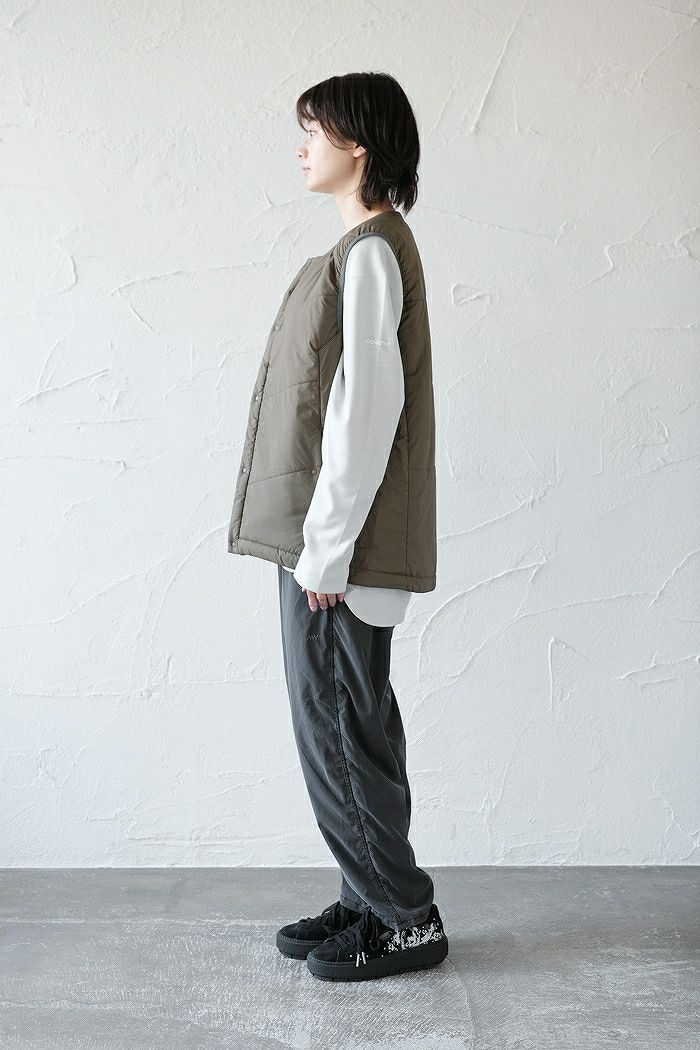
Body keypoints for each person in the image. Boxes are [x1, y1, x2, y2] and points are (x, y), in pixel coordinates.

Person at [227, 72, 447, 981]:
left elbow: (367, 410)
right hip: (338, 541)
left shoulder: (370, 254)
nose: (302, 146)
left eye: (312, 130)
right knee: (357, 723)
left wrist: (324, 549)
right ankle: (369, 896)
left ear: (358, 144)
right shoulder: (368, 247)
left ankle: (402, 919)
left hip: (337, 550)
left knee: (338, 732)